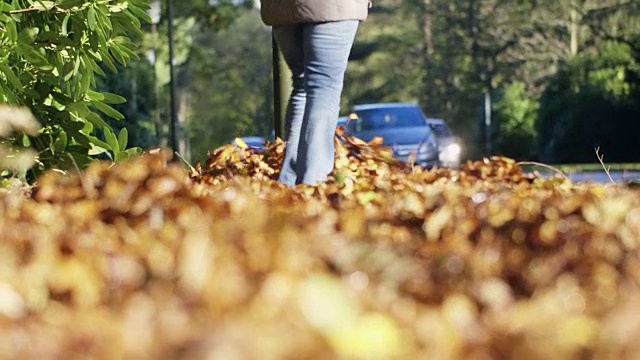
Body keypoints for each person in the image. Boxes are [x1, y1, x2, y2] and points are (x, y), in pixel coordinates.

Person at [260, 0, 370, 186]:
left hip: (282, 9)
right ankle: (314, 181)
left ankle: (289, 182)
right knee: (323, 87)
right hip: (333, 7)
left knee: (302, 85)